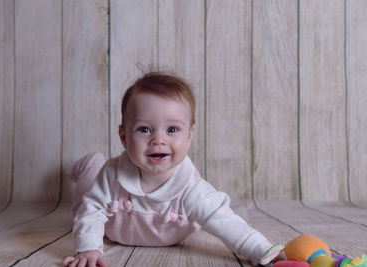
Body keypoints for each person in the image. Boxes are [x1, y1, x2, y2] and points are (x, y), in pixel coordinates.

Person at [64, 72, 283, 267]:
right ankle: (90, 165)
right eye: (144, 129)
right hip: (112, 229)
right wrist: (88, 248)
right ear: (124, 137)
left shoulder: (191, 188)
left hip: (166, 236)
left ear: (189, 135)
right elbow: (91, 210)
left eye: (172, 129)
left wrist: (262, 250)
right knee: (83, 202)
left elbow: (224, 220)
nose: (158, 139)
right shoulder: (112, 174)